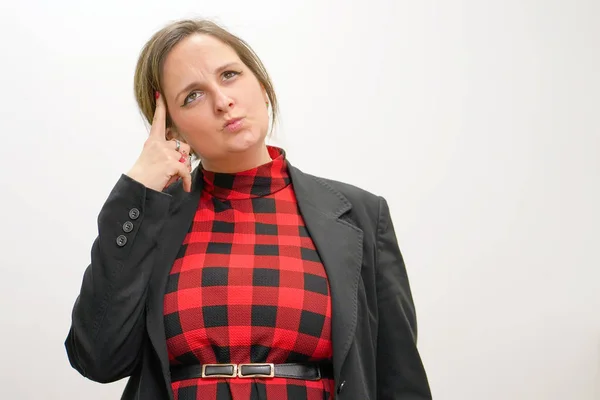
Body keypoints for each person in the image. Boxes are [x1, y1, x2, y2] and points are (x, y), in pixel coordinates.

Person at [64, 18, 432, 400]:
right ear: (171, 130)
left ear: (260, 82)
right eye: (193, 96)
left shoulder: (361, 214)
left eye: (229, 75)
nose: (223, 101)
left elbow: (398, 377)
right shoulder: (150, 221)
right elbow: (98, 359)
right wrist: (136, 191)